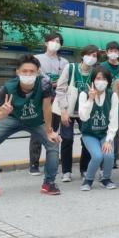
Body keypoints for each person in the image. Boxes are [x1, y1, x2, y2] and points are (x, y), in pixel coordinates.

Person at [0, 55, 61, 199]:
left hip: (36, 120)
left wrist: (49, 131)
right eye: (24, 71)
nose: (28, 74)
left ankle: (49, 183)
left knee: (53, 143)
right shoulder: (8, 87)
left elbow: (47, 108)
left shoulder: (44, 84)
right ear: (17, 72)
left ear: (38, 72)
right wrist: (3, 112)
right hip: (13, 118)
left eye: (32, 71)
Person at [54, 45, 99, 182]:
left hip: (84, 111)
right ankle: (66, 171)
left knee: (87, 140)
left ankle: (84, 169)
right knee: (67, 139)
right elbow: (60, 89)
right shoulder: (71, 68)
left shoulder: (95, 73)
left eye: (95, 56)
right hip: (68, 110)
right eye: (89, 54)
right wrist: (63, 111)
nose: (91, 58)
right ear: (83, 55)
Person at [31, 32, 68, 176]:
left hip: (57, 100)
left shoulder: (64, 62)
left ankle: (51, 162)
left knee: (54, 130)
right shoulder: (37, 59)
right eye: (52, 41)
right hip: (41, 99)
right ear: (46, 43)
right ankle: (33, 163)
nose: (55, 43)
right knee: (37, 131)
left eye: (58, 41)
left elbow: (65, 80)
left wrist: (56, 83)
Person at [78, 66, 119, 191]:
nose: (101, 81)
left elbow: (113, 119)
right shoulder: (84, 94)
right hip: (89, 133)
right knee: (97, 156)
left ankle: (105, 179)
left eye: (104, 79)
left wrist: (109, 140)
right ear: (93, 80)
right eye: (98, 78)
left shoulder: (112, 95)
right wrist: (90, 99)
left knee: (109, 155)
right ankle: (88, 180)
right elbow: (83, 117)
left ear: (108, 81)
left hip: (104, 134)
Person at [100, 41, 119, 168]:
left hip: (118, 104)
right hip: (105, 102)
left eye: (116, 51)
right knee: (105, 131)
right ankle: (103, 158)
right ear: (107, 52)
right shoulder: (102, 66)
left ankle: (114, 159)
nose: (113, 53)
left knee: (116, 132)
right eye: (111, 51)